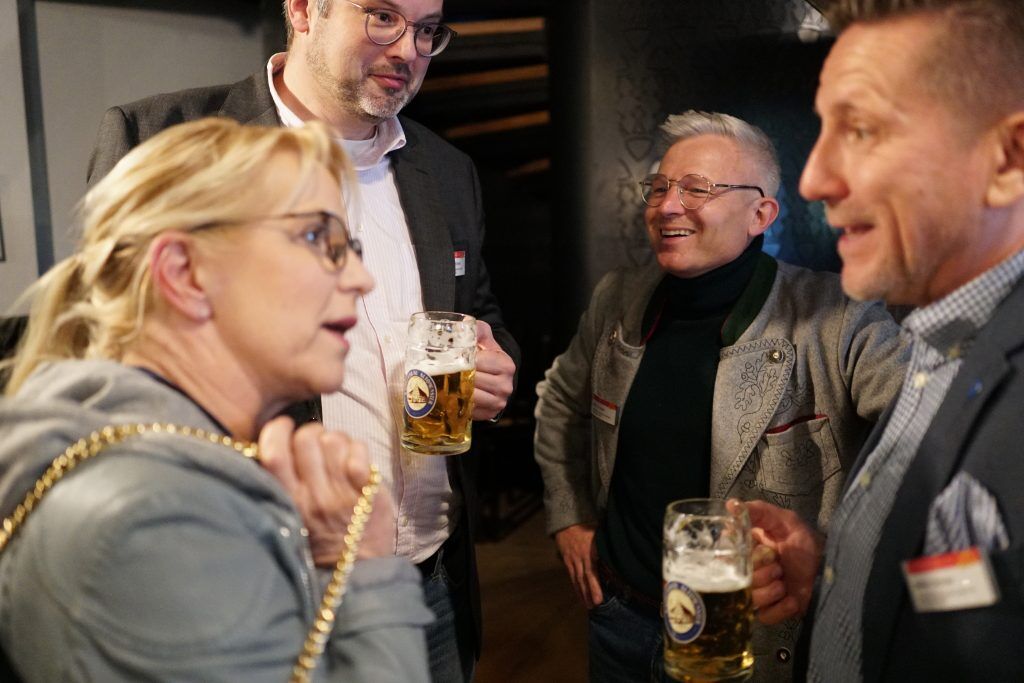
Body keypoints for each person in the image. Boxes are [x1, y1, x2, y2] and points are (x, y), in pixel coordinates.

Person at [86, 1, 519, 679]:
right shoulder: (163, 136)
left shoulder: (446, 168)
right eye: (382, 16)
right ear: (303, 9)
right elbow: (105, 359)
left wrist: (496, 367)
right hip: (259, 590)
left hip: (430, 580)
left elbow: (478, 312)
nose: (409, 49)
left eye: (427, 29)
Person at [0, 118, 434, 680]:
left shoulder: (154, 458)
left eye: (349, 247)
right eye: (316, 238)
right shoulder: (157, 521)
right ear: (185, 274)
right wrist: (367, 568)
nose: (361, 278)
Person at [532, 110, 908, 682]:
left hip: (750, 636)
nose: (668, 206)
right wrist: (569, 517)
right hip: (621, 617)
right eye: (660, 187)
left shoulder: (839, 319)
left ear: (761, 214)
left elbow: (929, 443)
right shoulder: (618, 298)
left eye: (696, 188)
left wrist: (837, 560)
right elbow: (559, 404)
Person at [747, 1, 1024, 681]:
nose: (814, 179)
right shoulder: (935, 337)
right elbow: (973, 595)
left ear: (1008, 159)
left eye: (862, 129)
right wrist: (846, 571)